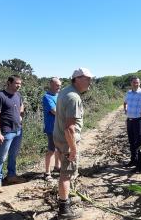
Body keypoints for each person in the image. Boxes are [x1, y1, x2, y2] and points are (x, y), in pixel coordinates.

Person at [53, 67, 93, 219]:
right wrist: (73, 149)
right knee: (66, 174)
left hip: (60, 138)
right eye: (87, 78)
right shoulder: (74, 97)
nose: (90, 82)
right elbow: (70, 129)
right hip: (67, 140)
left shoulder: (65, 91)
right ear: (77, 79)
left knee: (65, 172)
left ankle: (65, 199)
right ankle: (64, 209)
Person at [0, 75, 25, 194]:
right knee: (1, 157)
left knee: (13, 155)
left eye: (20, 84)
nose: (19, 86)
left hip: (18, 130)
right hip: (6, 131)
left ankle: (11, 176)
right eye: (16, 83)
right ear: (9, 82)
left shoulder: (18, 95)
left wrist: (21, 116)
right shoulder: (0, 96)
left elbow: (21, 106)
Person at [42, 77, 62, 181]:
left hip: (59, 127)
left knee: (59, 148)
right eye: (57, 85)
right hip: (51, 128)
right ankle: (47, 173)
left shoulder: (58, 95)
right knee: (51, 150)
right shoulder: (47, 97)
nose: (59, 87)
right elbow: (55, 111)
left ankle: (57, 167)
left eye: (60, 85)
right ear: (51, 85)